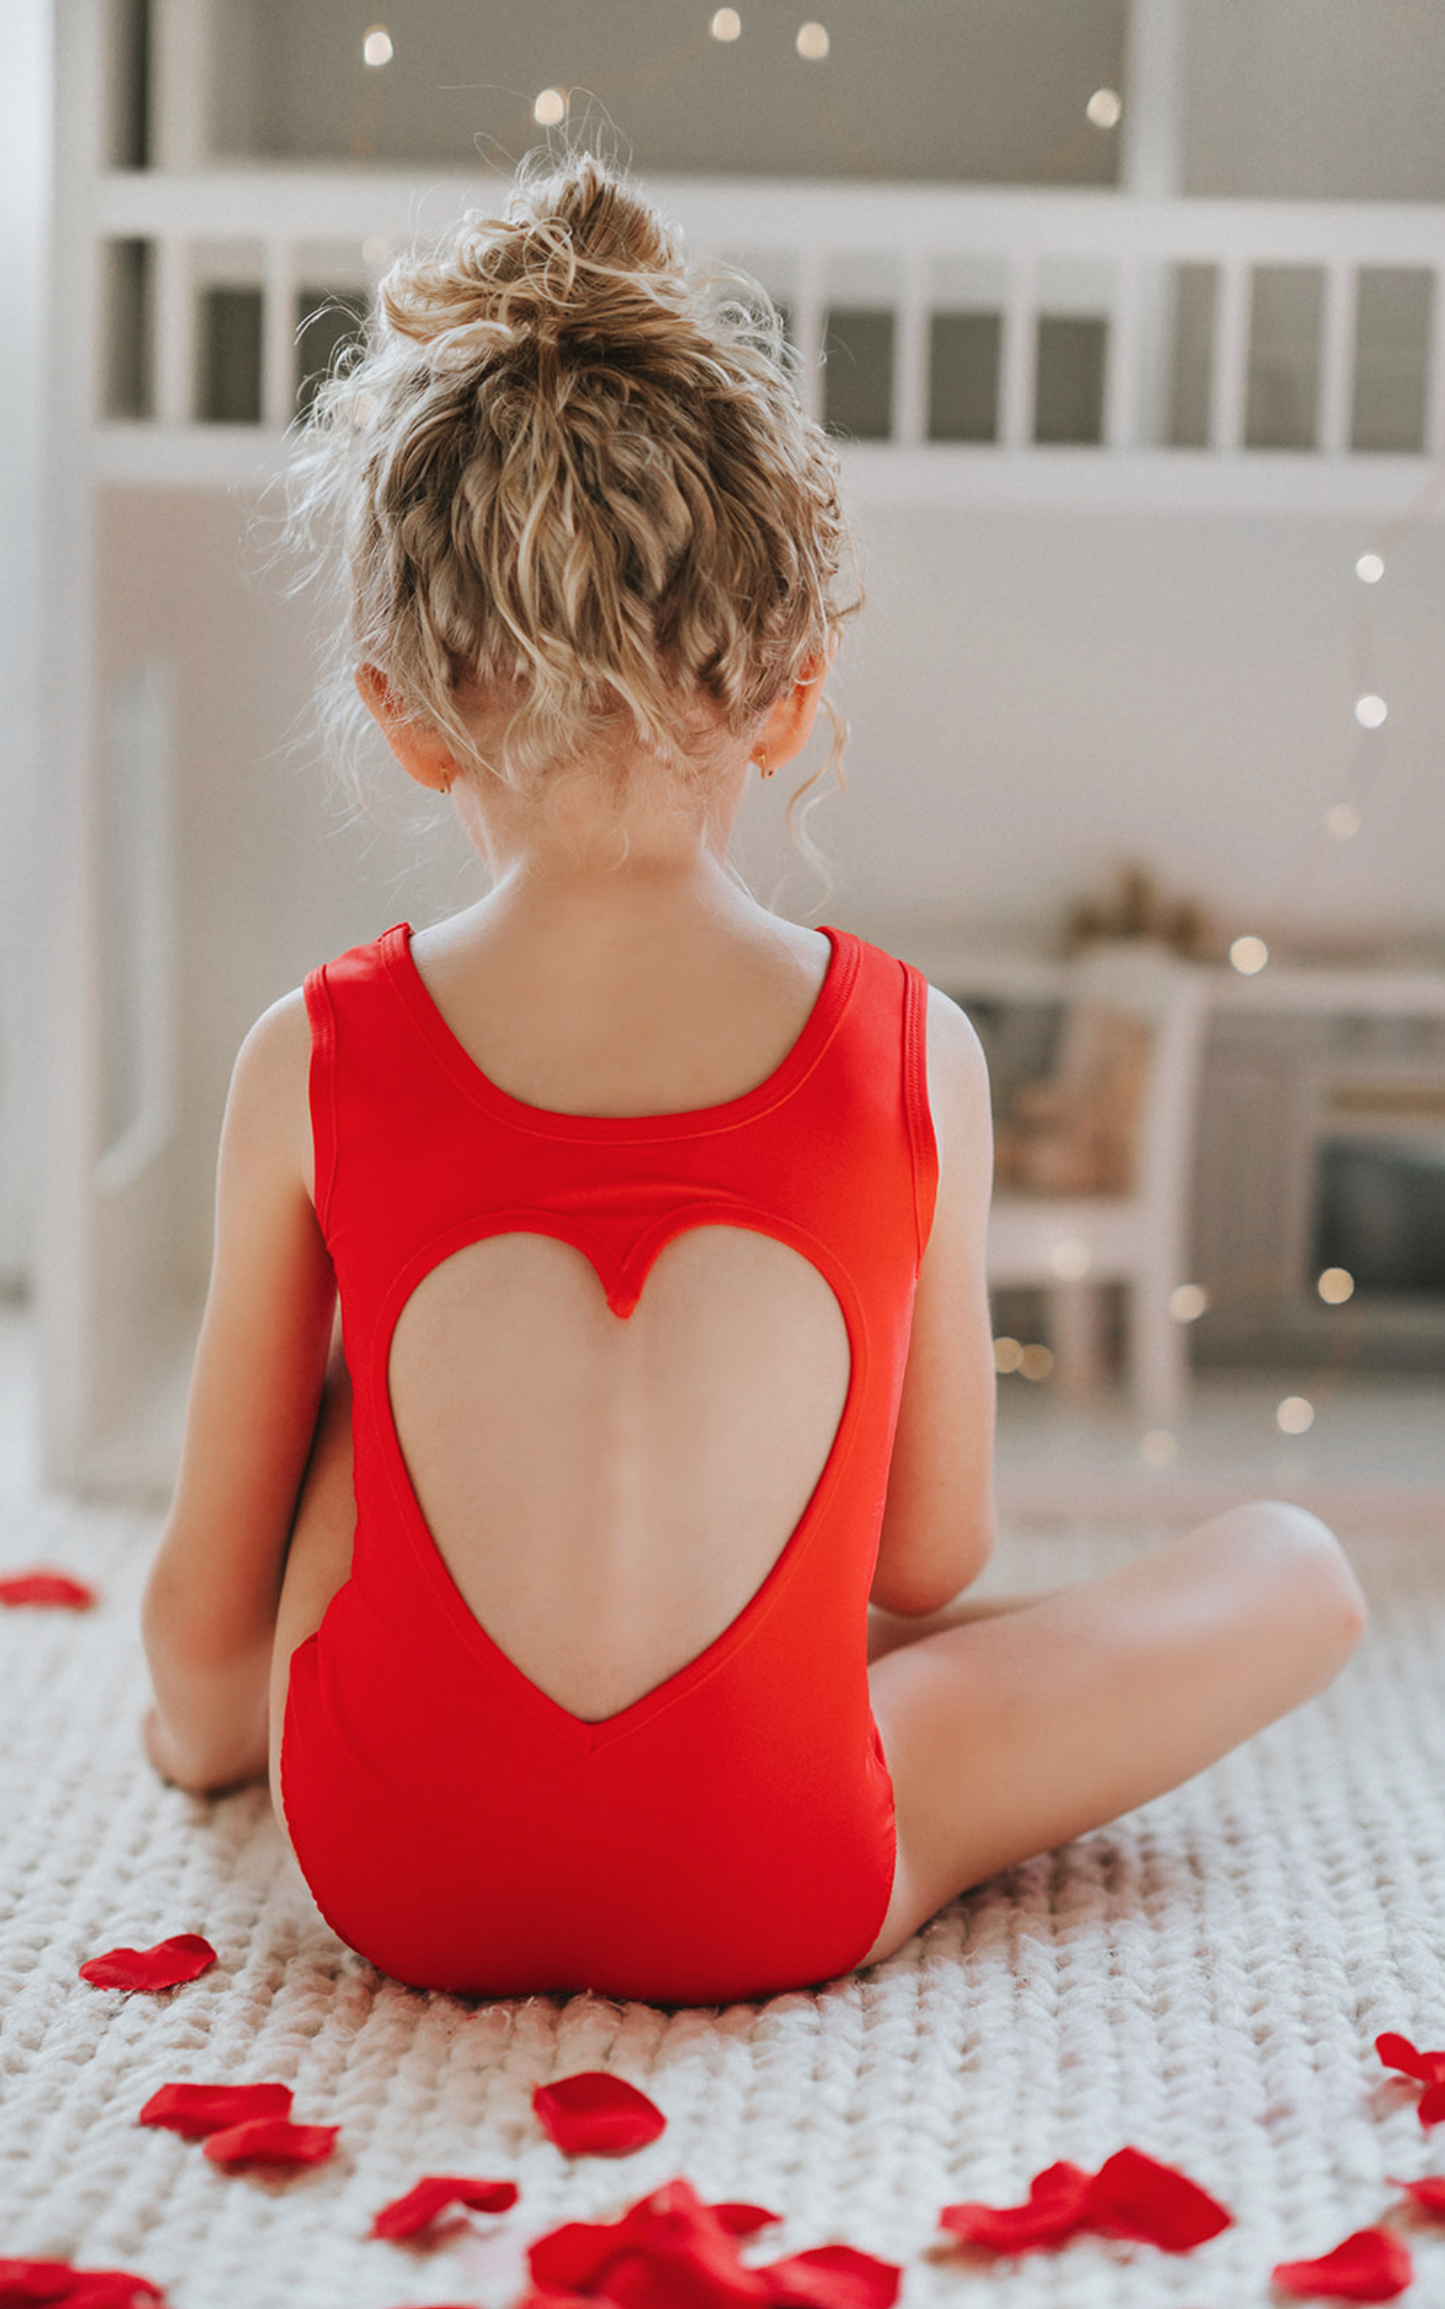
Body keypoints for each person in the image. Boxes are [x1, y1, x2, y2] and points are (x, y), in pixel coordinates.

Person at [142, 154, 1365, 2006]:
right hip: (773, 1875)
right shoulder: (906, 1045)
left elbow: (203, 1600)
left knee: (338, 1380)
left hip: (394, 1868)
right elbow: (934, 1553)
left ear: (404, 713)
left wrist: (195, 1735)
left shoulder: (311, 1053)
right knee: (1293, 1567)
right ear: (793, 694)